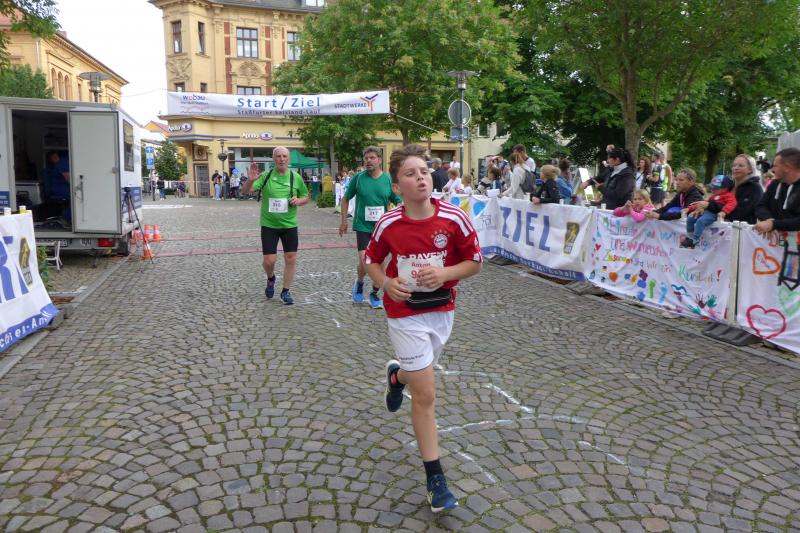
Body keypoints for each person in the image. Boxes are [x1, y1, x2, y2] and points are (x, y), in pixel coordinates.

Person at [364, 144, 482, 514]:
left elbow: (475, 261)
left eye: (425, 171)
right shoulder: (389, 223)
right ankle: (436, 479)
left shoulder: (454, 218)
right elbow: (370, 260)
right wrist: (385, 283)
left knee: (419, 376)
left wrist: (445, 273)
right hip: (403, 312)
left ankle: (397, 377)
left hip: (441, 310)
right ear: (396, 186)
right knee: (426, 394)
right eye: (411, 174)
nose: (421, 178)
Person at [241, 146, 310, 305]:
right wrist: (250, 179)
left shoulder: (295, 177)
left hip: (289, 225)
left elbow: (306, 196)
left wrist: (299, 201)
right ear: (273, 159)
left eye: (284, 156)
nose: (282, 159)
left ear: (288, 159)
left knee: (290, 258)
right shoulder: (265, 176)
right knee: (269, 261)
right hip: (269, 225)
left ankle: (285, 291)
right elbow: (245, 191)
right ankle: (271, 278)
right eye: (278, 156)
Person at [339, 146, 401, 308]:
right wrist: (344, 221)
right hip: (363, 227)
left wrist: (399, 214)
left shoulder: (387, 179)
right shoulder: (358, 178)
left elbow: (397, 199)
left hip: (382, 228)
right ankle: (360, 282)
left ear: (379, 160)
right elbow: (345, 199)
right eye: (366, 158)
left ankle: (374, 292)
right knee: (365, 261)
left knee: (381, 263)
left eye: (372, 158)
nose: (368, 161)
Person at [680, 175, 737, 249]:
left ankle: (695, 240)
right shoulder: (713, 196)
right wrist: (690, 208)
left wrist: (724, 212)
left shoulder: (729, 196)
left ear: (725, 188)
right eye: (712, 188)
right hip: (705, 212)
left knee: (701, 221)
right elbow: (702, 204)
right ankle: (689, 237)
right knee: (690, 218)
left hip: (713, 214)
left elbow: (732, 204)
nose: (712, 190)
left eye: (715, 188)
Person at [754, 147, 800, 234]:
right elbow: (760, 206)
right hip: (775, 241)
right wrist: (769, 219)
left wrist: (773, 224)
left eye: (775, 166)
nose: (772, 170)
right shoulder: (774, 184)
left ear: (787, 167)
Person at [723, 154, 763, 224]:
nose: (736, 168)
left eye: (740, 165)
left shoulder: (755, 188)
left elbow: (741, 212)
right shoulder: (728, 186)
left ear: (750, 170)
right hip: (722, 227)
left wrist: (720, 213)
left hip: (742, 228)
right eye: (734, 165)